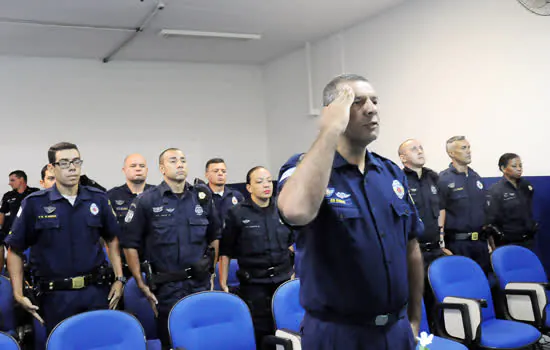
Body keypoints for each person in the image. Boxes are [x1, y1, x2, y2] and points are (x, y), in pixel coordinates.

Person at [277, 74, 424, 349]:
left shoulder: (390, 172)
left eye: (374, 101)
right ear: (334, 112)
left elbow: (411, 247)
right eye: (357, 102)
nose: (371, 108)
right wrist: (329, 130)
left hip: (396, 331)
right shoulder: (304, 168)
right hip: (338, 335)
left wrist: (414, 319)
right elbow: (296, 212)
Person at [4, 142, 125, 335]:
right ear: (52, 167)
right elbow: (15, 250)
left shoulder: (98, 199)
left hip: (95, 291)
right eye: (64, 162)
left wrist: (119, 279)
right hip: (55, 296)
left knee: (98, 341)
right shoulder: (35, 203)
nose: (72, 167)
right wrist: (18, 294)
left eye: (76, 161)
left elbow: (112, 239)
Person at [120, 148, 221, 348]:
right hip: (166, 289)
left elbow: (215, 236)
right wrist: (140, 282)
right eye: (173, 160)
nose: (180, 164)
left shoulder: (201, 197)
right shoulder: (146, 200)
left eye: (183, 160)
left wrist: (211, 271)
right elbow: (130, 244)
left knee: (203, 339)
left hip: (199, 284)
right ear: (162, 168)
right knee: (173, 342)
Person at [219, 166, 294, 345]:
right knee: (261, 331)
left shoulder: (282, 207)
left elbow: (292, 244)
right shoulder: (237, 213)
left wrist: (294, 272)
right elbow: (226, 251)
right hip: (254, 284)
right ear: (249, 187)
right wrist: (222, 282)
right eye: (259, 182)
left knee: (285, 329)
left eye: (269, 181)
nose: (266, 185)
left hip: (282, 280)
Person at [438, 136, 494, 274]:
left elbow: (484, 211)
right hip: (458, 244)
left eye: (469, 147)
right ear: (451, 153)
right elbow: (440, 211)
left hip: (480, 244)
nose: (468, 151)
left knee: (485, 283)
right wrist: (441, 243)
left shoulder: (476, 177)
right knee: (464, 286)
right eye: (464, 148)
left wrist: (490, 243)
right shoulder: (443, 179)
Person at [399, 139, 450, 270]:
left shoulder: (433, 177)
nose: (420, 151)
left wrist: (441, 236)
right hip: (413, 251)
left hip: (436, 248)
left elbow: (441, 208)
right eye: (414, 149)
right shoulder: (398, 179)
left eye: (421, 148)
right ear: (403, 158)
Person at [487, 153, 537, 250]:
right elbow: (490, 221)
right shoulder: (496, 190)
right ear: (503, 168)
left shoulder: (526, 186)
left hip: (528, 240)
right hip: (507, 242)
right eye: (514, 166)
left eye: (520, 166)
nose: (519, 169)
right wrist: (494, 245)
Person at [0, 171, 39, 272]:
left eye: (12, 180)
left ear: (21, 180)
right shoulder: (8, 195)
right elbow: (2, 213)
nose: (10, 183)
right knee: (15, 261)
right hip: (13, 233)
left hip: (31, 232)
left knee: (32, 260)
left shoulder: (34, 193)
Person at [107, 154, 154, 226]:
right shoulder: (112, 196)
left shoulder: (158, 194)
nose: (138, 169)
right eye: (133, 166)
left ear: (147, 170)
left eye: (142, 166)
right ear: (124, 170)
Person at [204, 158, 245, 226]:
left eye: (223, 171)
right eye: (216, 171)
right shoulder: (200, 196)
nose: (220, 173)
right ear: (206, 175)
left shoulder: (236, 195)